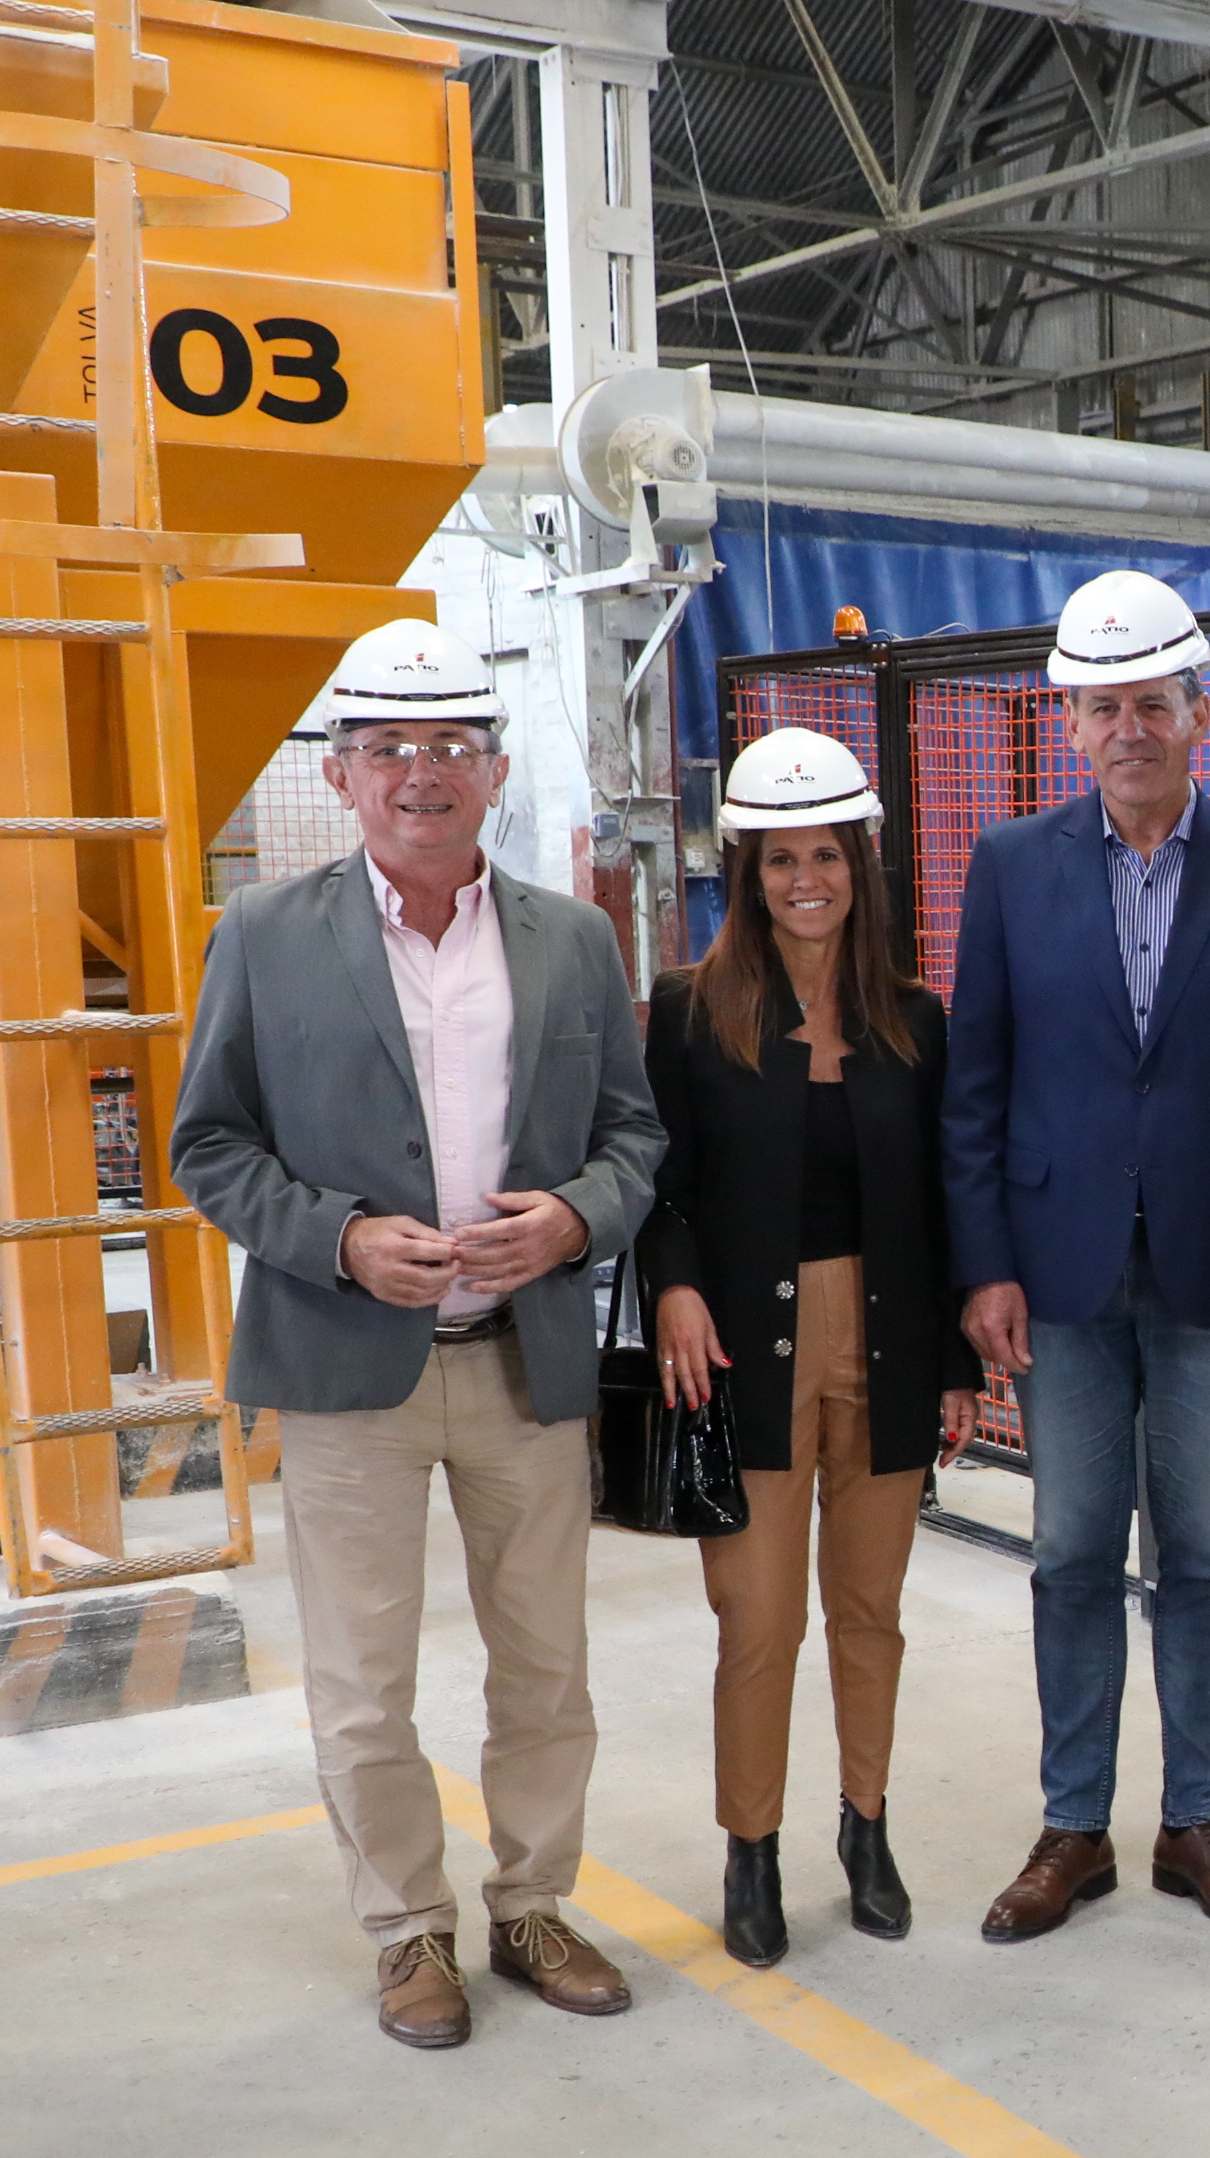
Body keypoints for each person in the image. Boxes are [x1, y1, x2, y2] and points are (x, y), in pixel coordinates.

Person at [171, 617, 665, 2049]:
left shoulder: (573, 939)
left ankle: (533, 1904)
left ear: (494, 768)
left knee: (547, 1669)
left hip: (523, 1362)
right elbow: (210, 1144)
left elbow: (633, 1137)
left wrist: (569, 1220)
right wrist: (339, 1238)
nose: (420, 772)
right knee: (361, 1683)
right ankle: (406, 1930)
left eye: (450, 743)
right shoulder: (266, 935)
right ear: (339, 774)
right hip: (348, 1373)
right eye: (388, 746)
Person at [942, 570, 1210, 1944]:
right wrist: (985, 1265)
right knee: (1067, 1548)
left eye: (1152, 705)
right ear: (1070, 723)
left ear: (1199, 713)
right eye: (1102, 707)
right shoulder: (1010, 867)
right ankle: (1073, 1825)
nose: (1128, 729)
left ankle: (1196, 1822)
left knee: (1207, 1551)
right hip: (1056, 1274)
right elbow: (976, 1088)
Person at [643, 728, 983, 1968]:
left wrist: (955, 1363)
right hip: (743, 1351)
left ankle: (866, 1825)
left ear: (861, 865)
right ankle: (753, 1845)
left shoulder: (915, 1019)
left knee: (869, 1609)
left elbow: (945, 1201)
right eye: (780, 858)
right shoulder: (688, 1013)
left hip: (887, 1343)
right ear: (746, 869)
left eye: (826, 855)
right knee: (758, 1615)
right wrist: (676, 1289)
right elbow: (660, 1183)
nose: (805, 880)